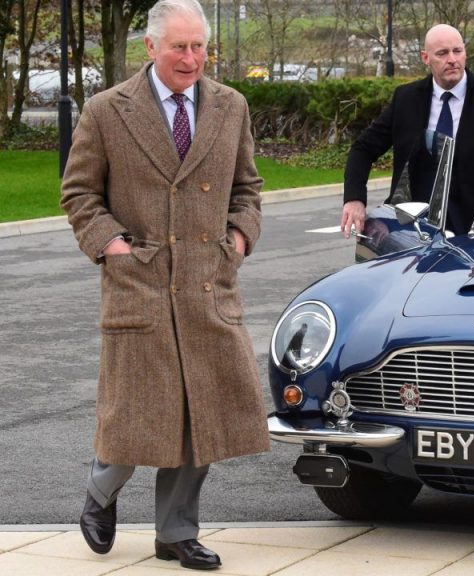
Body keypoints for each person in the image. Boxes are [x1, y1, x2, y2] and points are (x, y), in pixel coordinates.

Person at [59, 0, 268, 570]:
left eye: (199, 46)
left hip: (207, 285)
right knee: (135, 415)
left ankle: (176, 533)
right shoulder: (107, 110)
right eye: (179, 46)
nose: (191, 58)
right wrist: (115, 247)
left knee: (200, 415)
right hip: (140, 285)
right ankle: (101, 490)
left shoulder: (231, 105)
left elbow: (247, 188)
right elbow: (79, 194)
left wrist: (238, 240)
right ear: (150, 47)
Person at [341, 23, 474, 237]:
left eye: (457, 51)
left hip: (473, 234)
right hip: (413, 232)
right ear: (425, 58)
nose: (452, 59)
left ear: (465, 52)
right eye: (442, 53)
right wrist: (354, 199)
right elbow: (363, 149)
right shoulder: (406, 99)